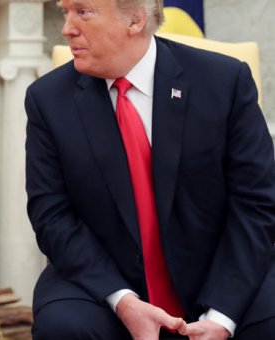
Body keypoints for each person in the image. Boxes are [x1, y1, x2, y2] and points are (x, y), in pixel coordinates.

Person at [25, 0, 275, 339]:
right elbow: (51, 215)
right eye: (64, 12)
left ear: (135, 21)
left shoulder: (223, 83)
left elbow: (257, 204)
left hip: (220, 271)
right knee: (64, 326)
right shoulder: (47, 98)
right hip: (106, 279)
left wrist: (222, 317)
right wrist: (123, 301)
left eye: (83, 12)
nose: (67, 28)